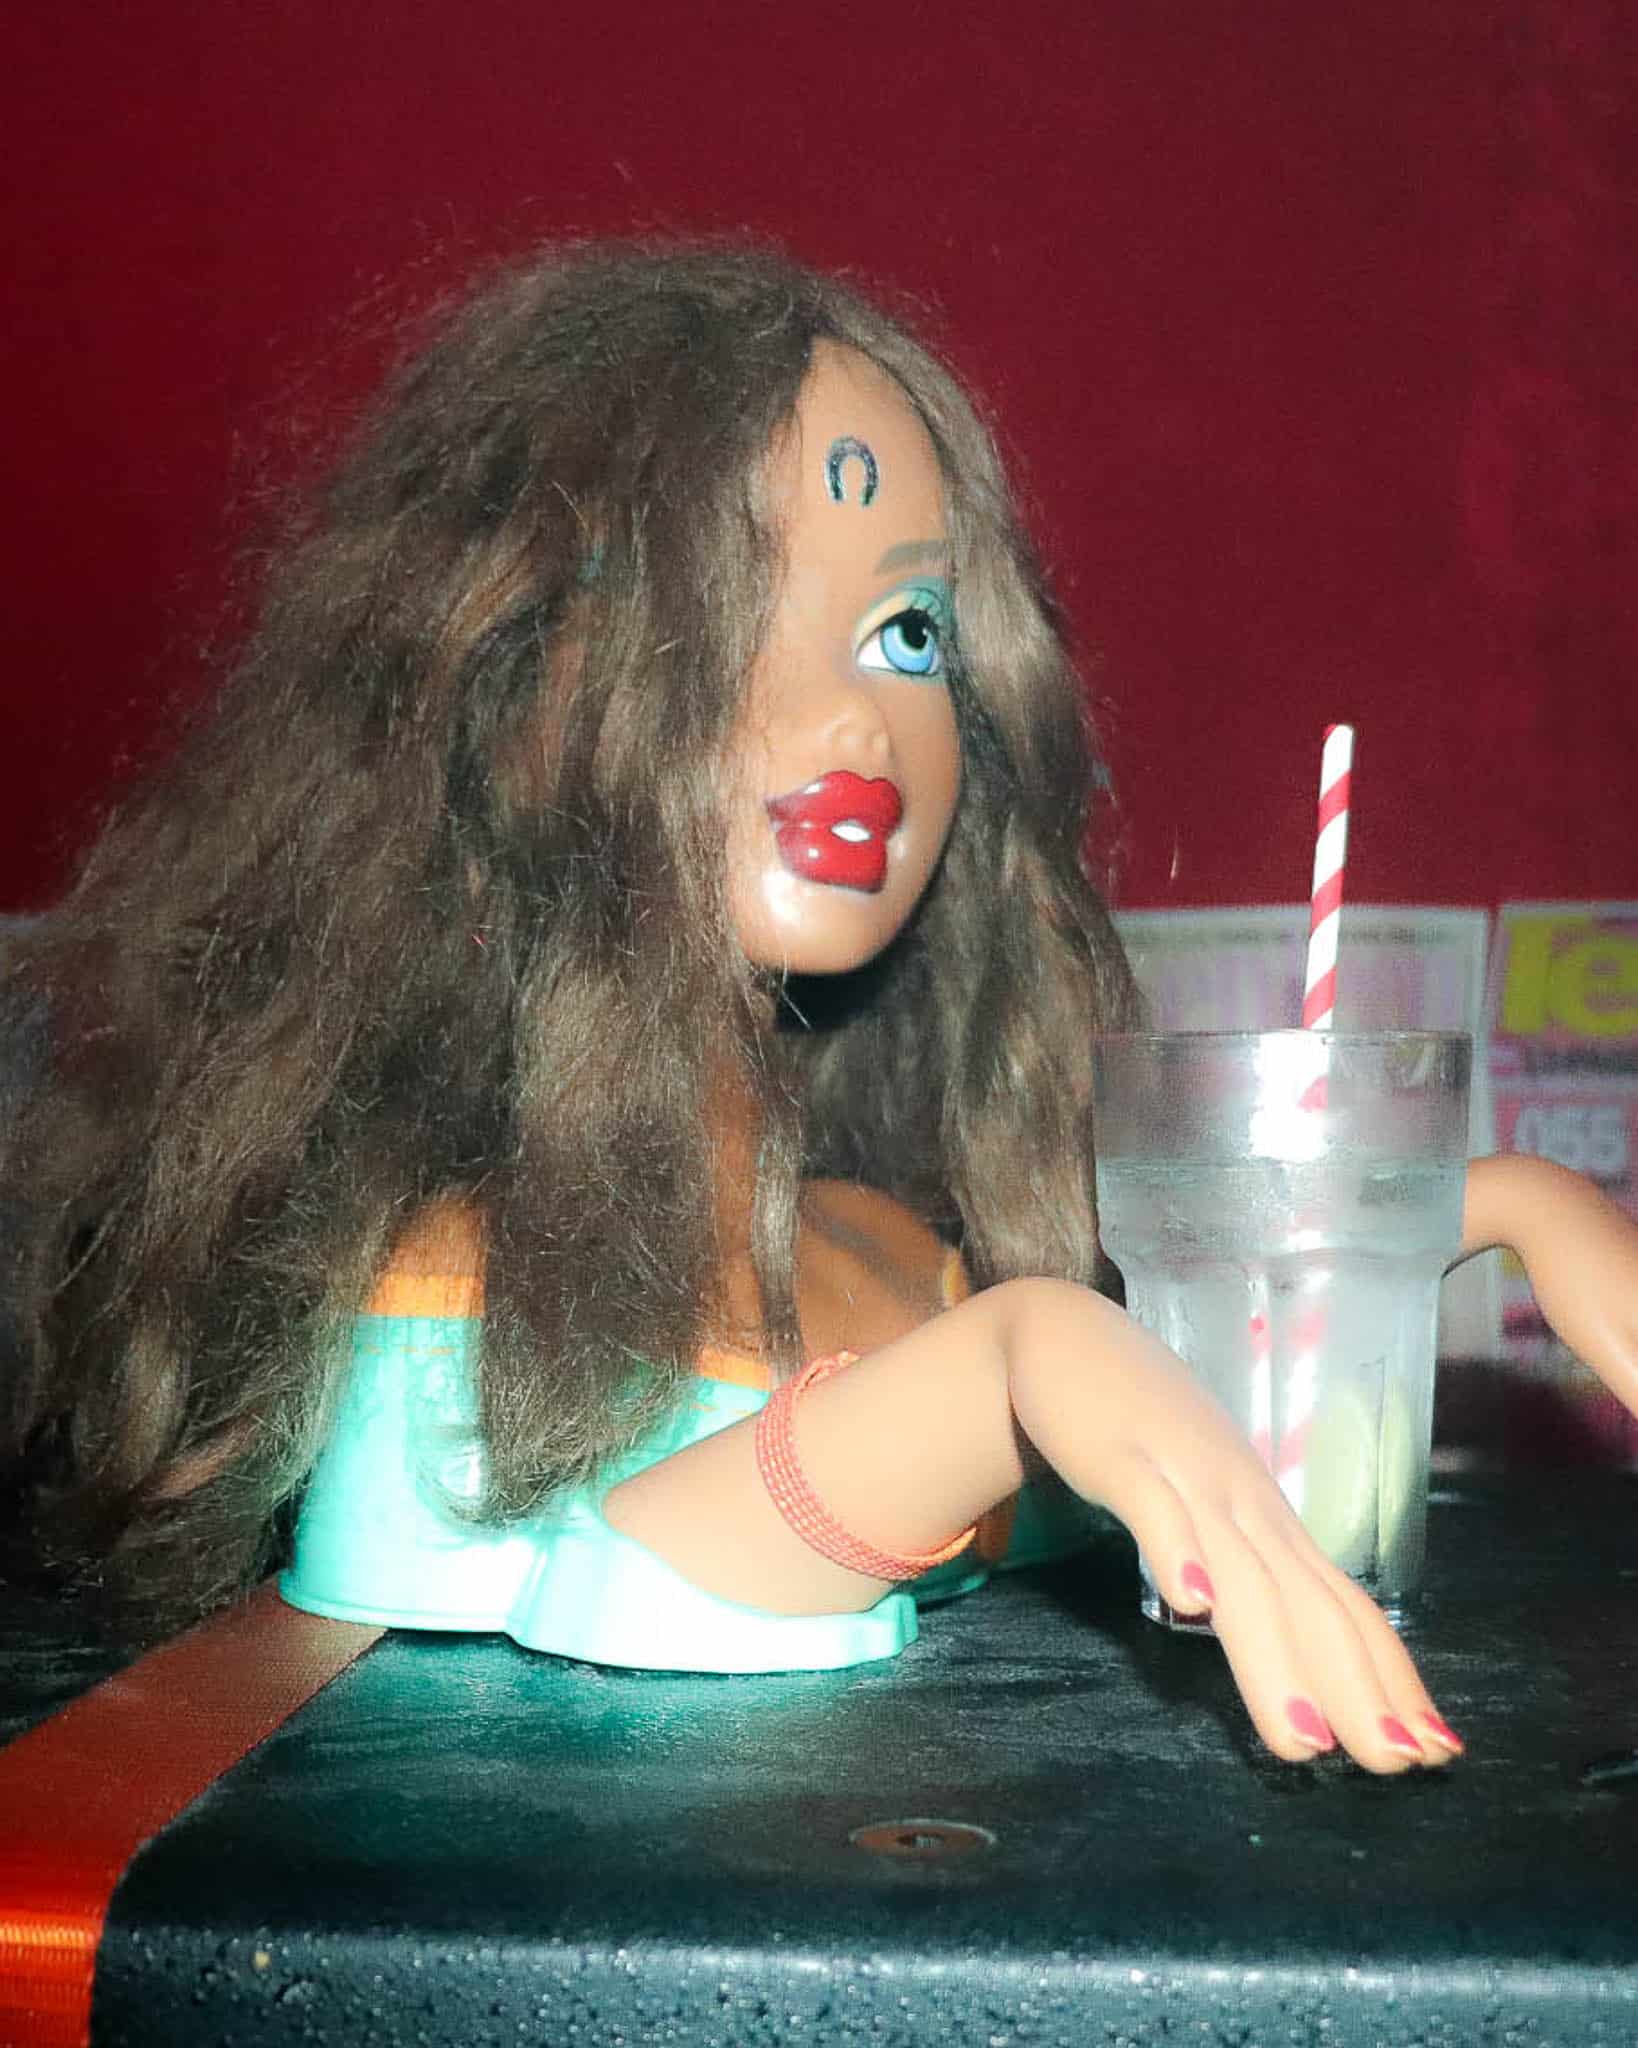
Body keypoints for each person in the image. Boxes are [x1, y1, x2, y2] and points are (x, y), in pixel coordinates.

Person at [3, 243, 1634, 1778]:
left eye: (906, 634)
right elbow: (636, 1578)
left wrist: (1493, 1205)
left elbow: (1169, 1401)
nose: (857, 717)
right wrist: (1019, 1357)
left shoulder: (889, 1248)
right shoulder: (462, 1286)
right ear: (495, 688)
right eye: (720, 616)